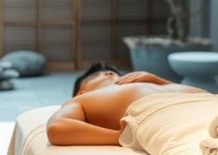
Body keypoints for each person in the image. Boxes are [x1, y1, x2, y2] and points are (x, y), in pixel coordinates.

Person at [47, 62, 204, 146]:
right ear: (82, 91)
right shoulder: (82, 100)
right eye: (102, 75)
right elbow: (57, 128)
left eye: (117, 74)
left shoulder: (152, 83)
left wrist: (158, 80)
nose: (112, 75)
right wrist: (119, 137)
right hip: (174, 117)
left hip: (211, 102)